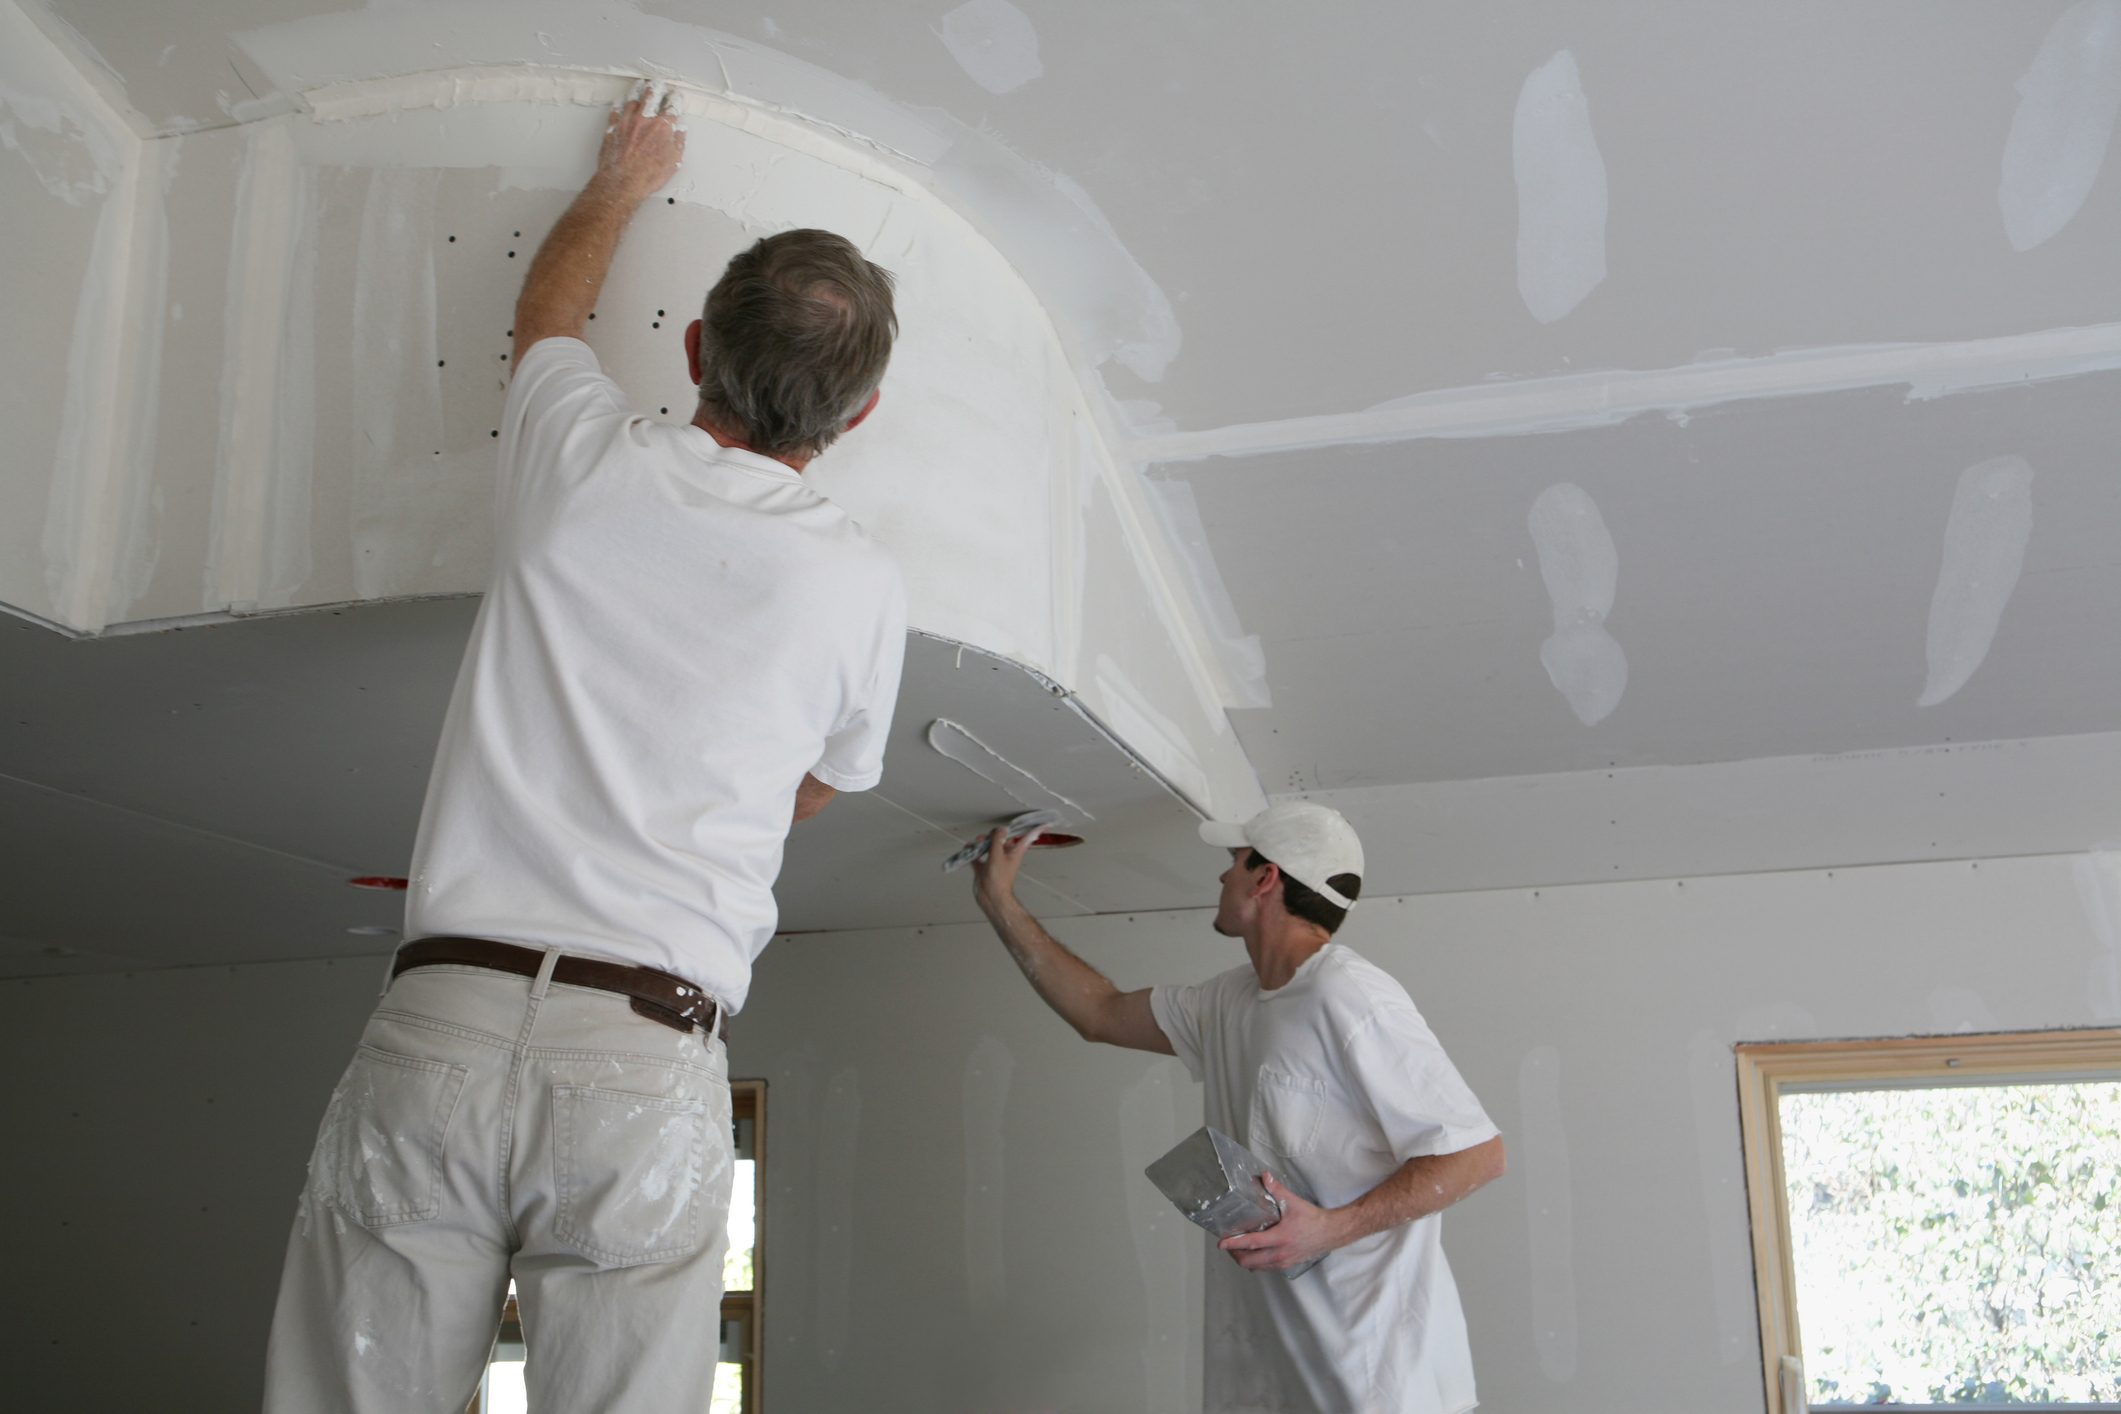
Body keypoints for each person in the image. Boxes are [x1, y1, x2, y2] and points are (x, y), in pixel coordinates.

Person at [263, 84, 907, 1413]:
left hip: (439, 1022)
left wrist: (623, 178)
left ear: (687, 354)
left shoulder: (581, 460)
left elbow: (546, 316)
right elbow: (826, 781)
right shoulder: (859, 588)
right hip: (646, 1049)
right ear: (859, 417)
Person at [972, 801, 1506, 1414]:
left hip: (1381, 1382)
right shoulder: (1229, 1000)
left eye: (1233, 863)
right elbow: (1100, 1013)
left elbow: (1477, 1154)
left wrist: (1329, 1229)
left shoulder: (1349, 995)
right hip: (1282, 1375)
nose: (1221, 879)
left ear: (1265, 879)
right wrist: (1000, 903)